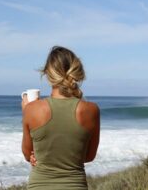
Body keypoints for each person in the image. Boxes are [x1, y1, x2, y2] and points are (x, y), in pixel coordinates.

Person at [21, 46, 100, 190]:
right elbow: (89, 156)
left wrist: (27, 110)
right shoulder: (91, 110)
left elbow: (28, 155)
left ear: (47, 74)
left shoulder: (31, 109)